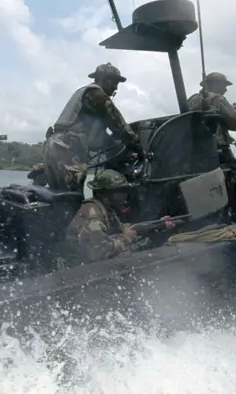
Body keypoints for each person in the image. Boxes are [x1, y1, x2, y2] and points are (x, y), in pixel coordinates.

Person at [44, 63, 145, 194]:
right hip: (66, 149)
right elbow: (119, 125)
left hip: (54, 146)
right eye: (114, 83)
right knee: (72, 197)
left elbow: (95, 138)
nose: (116, 87)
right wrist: (139, 148)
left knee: (58, 195)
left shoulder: (83, 92)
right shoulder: (97, 95)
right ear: (104, 79)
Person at [64, 169, 175, 265]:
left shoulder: (106, 209)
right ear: (105, 194)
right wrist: (125, 238)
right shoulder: (94, 217)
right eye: (119, 193)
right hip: (78, 270)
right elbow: (98, 253)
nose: (124, 198)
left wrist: (157, 225)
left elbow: (125, 229)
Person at [187, 72, 236, 223]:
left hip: (197, 155)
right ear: (213, 84)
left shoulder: (192, 100)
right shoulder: (218, 99)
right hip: (219, 153)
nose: (225, 90)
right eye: (223, 85)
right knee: (234, 182)